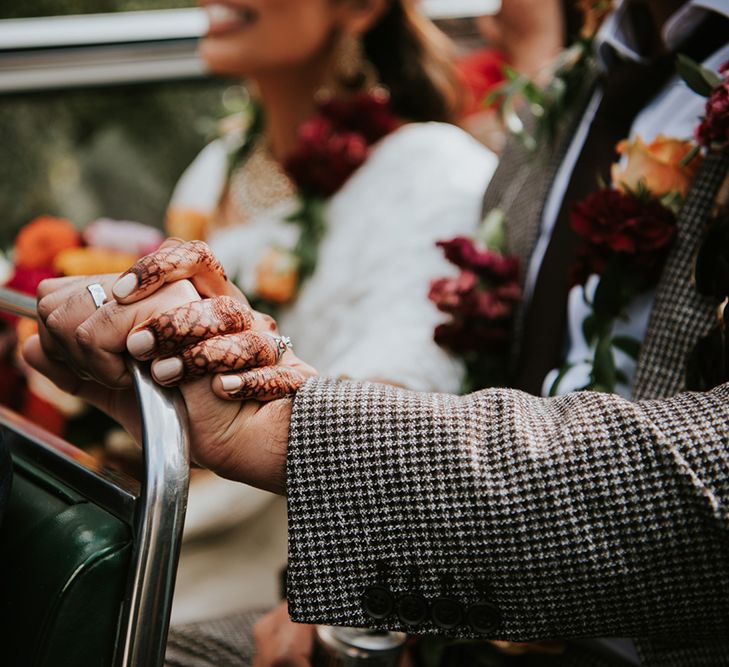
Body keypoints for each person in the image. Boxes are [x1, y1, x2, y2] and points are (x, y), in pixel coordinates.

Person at [23, 0, 729, 666]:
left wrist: (292, 432)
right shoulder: (578, 91)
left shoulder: (435, 167)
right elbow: (492, 348)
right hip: (438, 591)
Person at [165, 0, 497, 548]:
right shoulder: (218, 165)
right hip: (178, 502)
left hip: (310, 550)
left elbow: (399, 422)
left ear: (362, 7)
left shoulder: (434, 173)